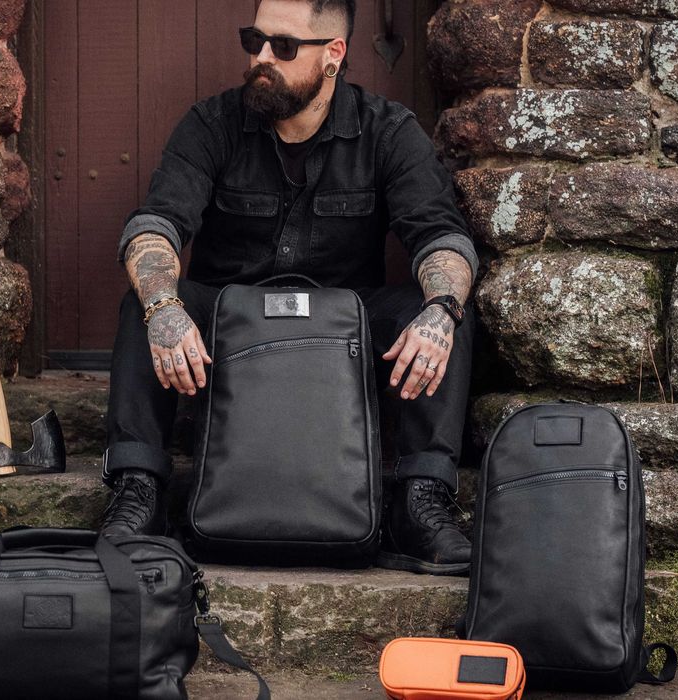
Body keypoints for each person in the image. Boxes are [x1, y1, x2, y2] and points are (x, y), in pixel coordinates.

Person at [97, 0, 478, 575]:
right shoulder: (213, 124)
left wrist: (442, 309)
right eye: (254, 40)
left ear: (334, 55)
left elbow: (441, 237)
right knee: (143, 302)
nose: (261, 59)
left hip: (344, 332)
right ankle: (138, 491)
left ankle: (420, 501)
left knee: (443, 312)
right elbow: (158, 224)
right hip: (228, 327)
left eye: (283, 46)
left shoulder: (387, 130)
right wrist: (164, 306)